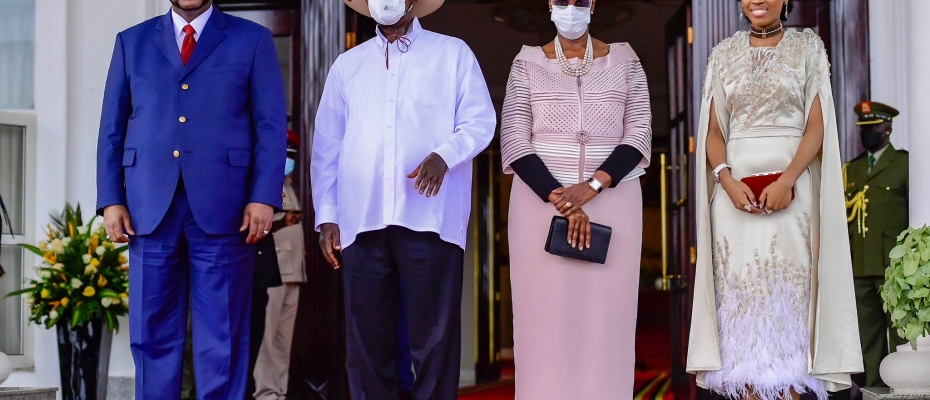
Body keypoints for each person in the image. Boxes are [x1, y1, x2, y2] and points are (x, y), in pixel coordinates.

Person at [95, 0, 287, 398]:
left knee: (224, 336)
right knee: (151, 336)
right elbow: (112, 128)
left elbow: (270, 127)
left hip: (228, 209)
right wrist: (111, 198)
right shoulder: (131, 43)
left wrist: (263, 196)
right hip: (148, 209)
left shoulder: (252, 39)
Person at [311, 0, 496, 398]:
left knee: (433, 341)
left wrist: (444, 155)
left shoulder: (453, 53)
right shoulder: (348, 65)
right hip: (362, 219)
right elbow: (327, 145)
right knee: (367, 341)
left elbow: (481, 120)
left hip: (428, 218)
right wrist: (327, 214)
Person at [687, 1, 864, 399]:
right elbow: (714, 130)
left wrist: (787, 180)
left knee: (790, 304)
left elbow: (817, 127)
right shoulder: (723, 53)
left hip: (793, 192)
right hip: (734, 201)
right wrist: (726, 180)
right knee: (742, 307)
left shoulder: (808, 48)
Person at [499, 0, 652, 398]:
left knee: (607, 319)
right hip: (539, 204)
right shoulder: (527, 63)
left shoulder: (625, 60)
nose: (570, 8)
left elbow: (638, 134)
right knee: (545, 318)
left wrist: (592, 187)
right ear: (549, 5)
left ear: (593, 5)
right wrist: (562, 198)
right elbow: (514, 138)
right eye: (561, 1)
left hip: (613, 201)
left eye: (578, 1)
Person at [844, 102, 909, 388]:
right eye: (864, 129)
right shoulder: (852, 169)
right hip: (860, 263)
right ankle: (873, 388)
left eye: (874, 128)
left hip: (895, 265)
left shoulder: (905, 164)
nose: (868, 133)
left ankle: (902, 386)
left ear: (888, 129)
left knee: (900, 332)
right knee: (867, 334)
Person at [254, 130, 307, 400]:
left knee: (282, 341)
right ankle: (265, 393)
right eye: (286, 154)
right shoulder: (265, 185)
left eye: (292, 155)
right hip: (274, 270)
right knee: (266, 339)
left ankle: (279, 392)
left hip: (293, 271)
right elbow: (257, 225)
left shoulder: (288, 185)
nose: (289, 160)